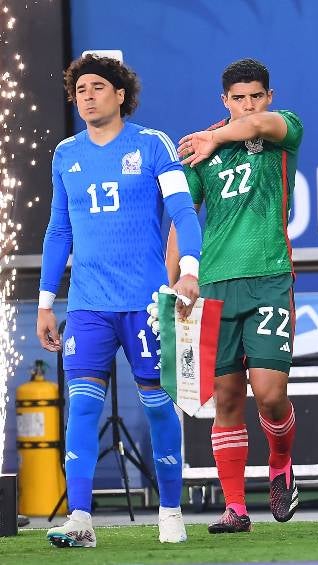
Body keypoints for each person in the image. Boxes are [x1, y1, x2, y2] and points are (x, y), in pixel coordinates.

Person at [38, 54, 202, 547]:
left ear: (121, 94)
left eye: (97, 87)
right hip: (87, 306)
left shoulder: (153, 145)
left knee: (159, 408)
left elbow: (183, 211)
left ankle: (170, 512)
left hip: (145, 304)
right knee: (82, 408)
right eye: (80, 90)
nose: (87, 97)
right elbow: (58, 231)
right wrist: (46, 302)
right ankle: (81, 519)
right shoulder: (65, 154)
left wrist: (189, 272)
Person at [166, 58, 304, 533]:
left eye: (256, 96)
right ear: (224, 100)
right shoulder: (200, 149)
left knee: (269, 394)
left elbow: (261, 126)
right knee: (225, 399)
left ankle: (281, 461)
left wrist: (218, 136)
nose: (248, 105)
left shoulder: (284, 130)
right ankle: (235, 508)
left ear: (270, 97)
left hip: (269, 277)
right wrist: (172, 285)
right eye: (238, 98)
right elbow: (182, 221)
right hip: (215, 285)